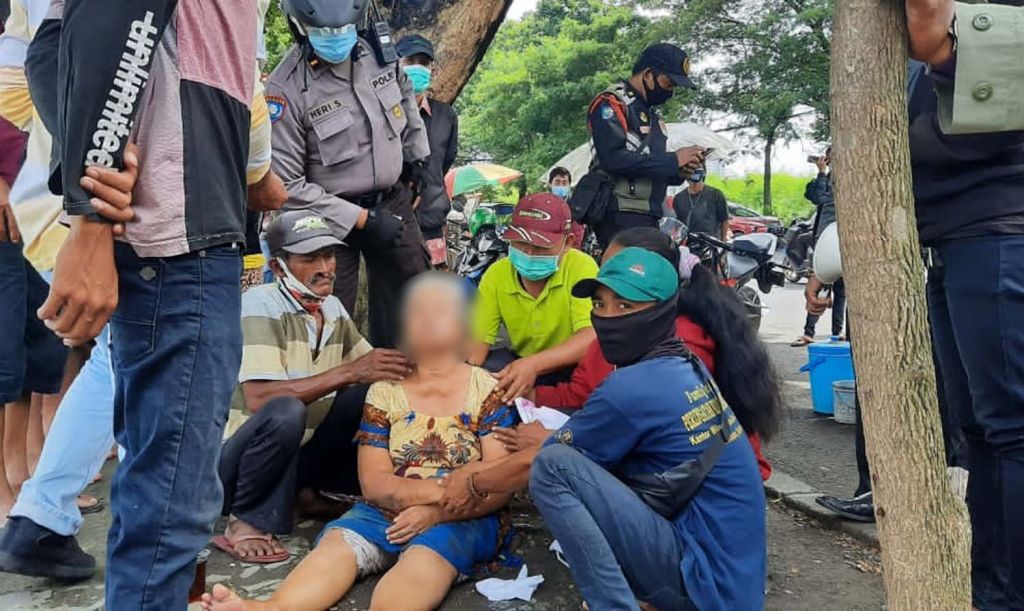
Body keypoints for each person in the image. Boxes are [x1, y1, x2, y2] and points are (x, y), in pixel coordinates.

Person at [22, 0, 282, 605]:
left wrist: (96, 158)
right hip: (175, 242)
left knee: (164, 500)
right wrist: (91, 206)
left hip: (192, 234)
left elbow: (48, 51)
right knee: (170, 510)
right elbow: (72, 39)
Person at [818, 3, 1024, 607]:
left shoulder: (984, 35)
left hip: (999, 239)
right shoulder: (904, 70)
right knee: (980, 431)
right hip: (953, 248)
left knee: (1012, 430)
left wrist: (939, 34)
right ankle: (995, 592)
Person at [444, 248, 770, 610]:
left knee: (553, 468)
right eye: (600, 305)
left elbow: (543, 460)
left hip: (709, 585)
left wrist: (473, 482)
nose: (608, 317)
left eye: (626, 307)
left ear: (664, 312)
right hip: (733, 578)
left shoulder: (635, 386)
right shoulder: (684, 363)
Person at [202, 273, 517, 611]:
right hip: (384, 510)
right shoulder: (385, 391)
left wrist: (435, 513)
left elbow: (499, 480)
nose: (425, 319)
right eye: (416, 310)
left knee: (425, 558)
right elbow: (374, 482)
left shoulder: (487, 389)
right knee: (338, 546)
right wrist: (431, 496)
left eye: (440, 310)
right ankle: (269, 608)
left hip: (460, 517)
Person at [215, 211, 414, 565]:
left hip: (295, 455)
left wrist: (434, 368)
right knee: (285, 409)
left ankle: (304, 494)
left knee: (366, 393)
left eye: (329, 255)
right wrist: (350, 371)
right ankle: (244, 520)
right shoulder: (260, 304)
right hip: (240, 464)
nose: (326, 267)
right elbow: (260, 399)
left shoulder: (331, 308)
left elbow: (376, 368)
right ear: (278, 268)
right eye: (310, 259)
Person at [527, 227, 779, 481]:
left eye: (625, 287)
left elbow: (650, 440)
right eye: (606, 275)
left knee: (550, 465)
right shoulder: (617, 328)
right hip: (656, 467)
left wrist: (558, 439)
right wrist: (525, 393)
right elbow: (581, 393)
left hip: (696, 484)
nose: (608, 297)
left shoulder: (679, 352)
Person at [268, 0, 431, 348]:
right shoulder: (287, 88)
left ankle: (407, 390)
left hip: (391, 202)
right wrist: (361, 220)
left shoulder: (377, 53)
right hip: (325, 217)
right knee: (328, 315)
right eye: (324, 32)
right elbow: (288, 187)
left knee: (415, 303)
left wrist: (417, 159)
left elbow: (404, 97)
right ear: (299, 28)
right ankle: (339, 396)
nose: (336, 38)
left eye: (343, 29)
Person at [468, 193, 598, 402]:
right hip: (520, 363)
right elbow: (479, 345)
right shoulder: (496, 274)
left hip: (572, 366)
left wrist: (534, 364)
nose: (528, 253)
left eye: (540, 246)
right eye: (519, 243)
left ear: (568, 243)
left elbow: (590, 336)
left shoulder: (582, 267)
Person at [587, 43, 706, 247]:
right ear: (649, 74)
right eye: (669, 83)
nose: (670, 92)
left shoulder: (654, 118)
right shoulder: (613, 103)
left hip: (650, 214)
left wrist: (679, 172)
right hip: (619, 212)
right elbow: (612, 159)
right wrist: (674, 159)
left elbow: (650, 168)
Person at [396, 34, 458, 269]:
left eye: (423, 62)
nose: (417, 67)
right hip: (391, 222)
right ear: (396, 64)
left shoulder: (446, 116)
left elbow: (444, 162)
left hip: (431, 221)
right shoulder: (381, 112)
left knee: (429, 293)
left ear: (432, 68)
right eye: (410, 60)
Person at [791, 149, 845, 347]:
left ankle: (837, 332)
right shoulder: (827, 177)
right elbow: (813, 195)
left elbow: (821, 198)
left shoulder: (848, 179)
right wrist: (821, 173)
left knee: (841, 288)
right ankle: (809, 332)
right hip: (823, 239)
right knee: (820, 284)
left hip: (839, 237)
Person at [671, 165, 729, 241]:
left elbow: (724, 220)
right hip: (688, 244)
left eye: (698, 168)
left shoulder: (716, 195)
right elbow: (678, 225)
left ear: (704, 173)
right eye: (691, 168)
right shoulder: (678, 198)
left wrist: (723, 242)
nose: (695, 171)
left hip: (710, 244)